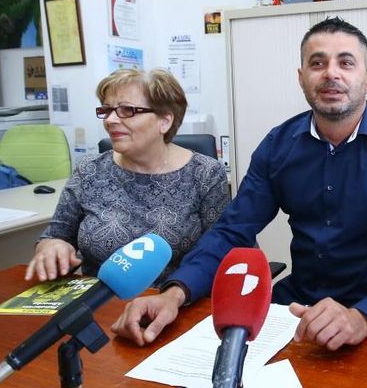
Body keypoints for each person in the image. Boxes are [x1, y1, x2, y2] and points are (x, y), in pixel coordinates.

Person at [112, 17, 367, 351]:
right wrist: (175, 294)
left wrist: (363, 317)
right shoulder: (279, 146)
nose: (331, 73)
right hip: (297, 308)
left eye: (346, 62)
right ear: (302, 78)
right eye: (317, 63)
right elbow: (233, 231)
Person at [27, 68, 230, 284]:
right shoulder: (89, 170)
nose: (110, 120)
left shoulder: (205, 174)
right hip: (100, 306)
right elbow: (54, 235)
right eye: (107, 110)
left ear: (165, 121)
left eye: (127, 110)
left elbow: (223, 250)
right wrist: (52, 247)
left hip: (175, 304)